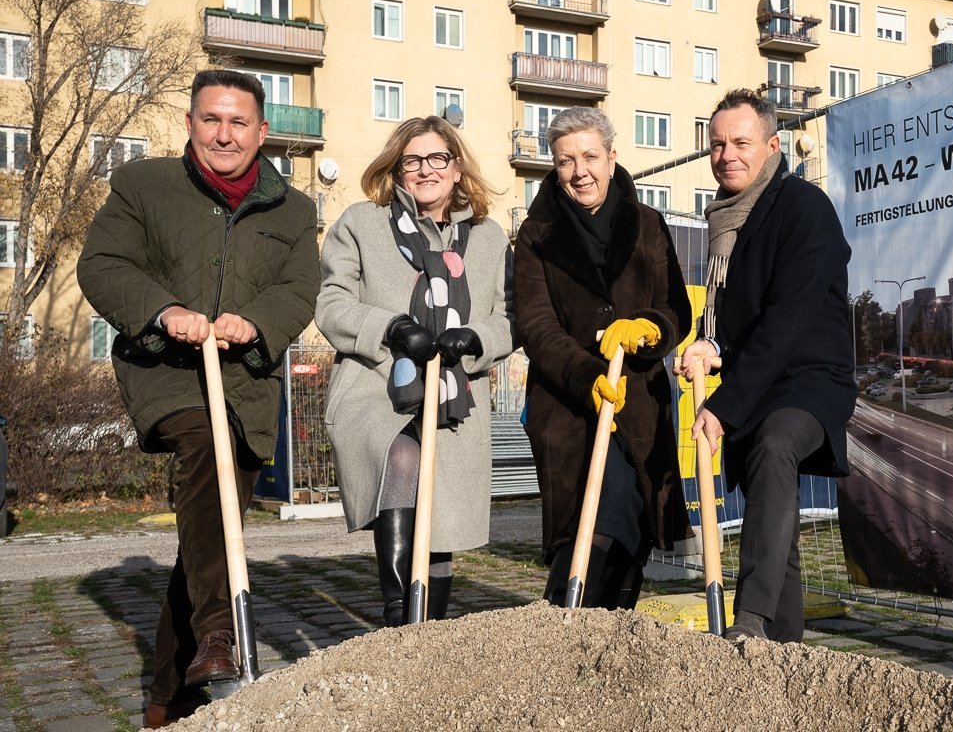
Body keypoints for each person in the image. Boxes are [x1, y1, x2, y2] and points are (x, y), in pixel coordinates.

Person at [76, 69, 319, 728]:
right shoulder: (143, 185)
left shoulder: (294, 210)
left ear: (262, 132)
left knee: (210, 536)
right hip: (166, 367)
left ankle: (168, 700)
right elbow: (102, 264)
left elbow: (300, 287)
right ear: (190, 123)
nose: (224, 133)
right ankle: (221, 633)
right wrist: (162, 311)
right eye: (211, 119)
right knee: (207, 458)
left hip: (244, 375)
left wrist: (257, 322)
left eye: (239, 122)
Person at [317, 116, 514, 627]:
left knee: (441, 518)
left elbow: (508, 318)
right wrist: (392, 328)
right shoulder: (362, 222)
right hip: (375, 387)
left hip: (457, 392)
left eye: (436, 159)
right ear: (397, 169)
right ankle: (398, 619)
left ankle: (425, 632)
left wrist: (476, 339)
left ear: (456, 168)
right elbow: (332, 305)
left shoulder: (488, 237)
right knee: (402, 458)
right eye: (412, 160)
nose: (425, 170)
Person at [676, 88, 856, 643]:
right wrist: (711, 344)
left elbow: (786, 319)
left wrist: (724, 406)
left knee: (776, 444)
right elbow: (736, 316)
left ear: (773, 145)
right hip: (759, 382)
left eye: (741, 143)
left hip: (810, 381)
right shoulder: (727, 222)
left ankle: (750, 621)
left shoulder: (803, 206)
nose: (727, 154)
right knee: (774, 522)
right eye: (718, 144)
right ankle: (783, 657)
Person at [513, 107, 693, 609]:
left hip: (639, 404)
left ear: (612, 159)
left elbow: (677, 307)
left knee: (633, 523)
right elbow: (535, 325)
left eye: (590, 156)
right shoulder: (535, 236)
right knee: (590, 522)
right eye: (566, 161)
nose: (580, 171)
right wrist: (587, 374)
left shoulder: (648, 225)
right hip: (570, 404)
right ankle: (564, 628)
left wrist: (650, 327)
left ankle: (610, 645)